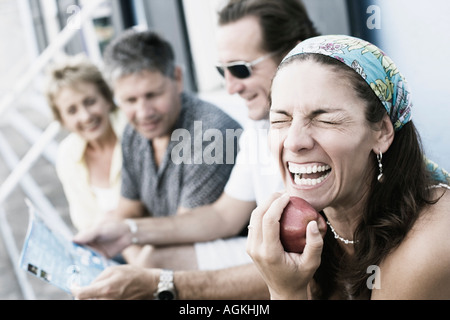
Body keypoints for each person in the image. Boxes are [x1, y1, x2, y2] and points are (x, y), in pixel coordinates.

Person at [72, 0, 319, 300]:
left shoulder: (313, 136)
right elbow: (222, 215)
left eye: (241, 69)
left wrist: (160, 284)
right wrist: (128, 231)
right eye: (223, 71)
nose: (230, 88)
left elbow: (315, 267)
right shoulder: (259, 128)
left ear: (294, 54)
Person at [246, 35, 450, 300]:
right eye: (280, 120)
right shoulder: (327, 225)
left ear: (382, 132)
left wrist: (286, 292)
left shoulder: (428, 244)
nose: (294, 142)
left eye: (325, 120)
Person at [45, 54, 127, 232]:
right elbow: (85, 223)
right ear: (62, 120)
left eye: (90, 102)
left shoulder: (133, 129)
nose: (85, 116)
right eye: (72, 110)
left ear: (106, 99)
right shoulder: (67, 154)